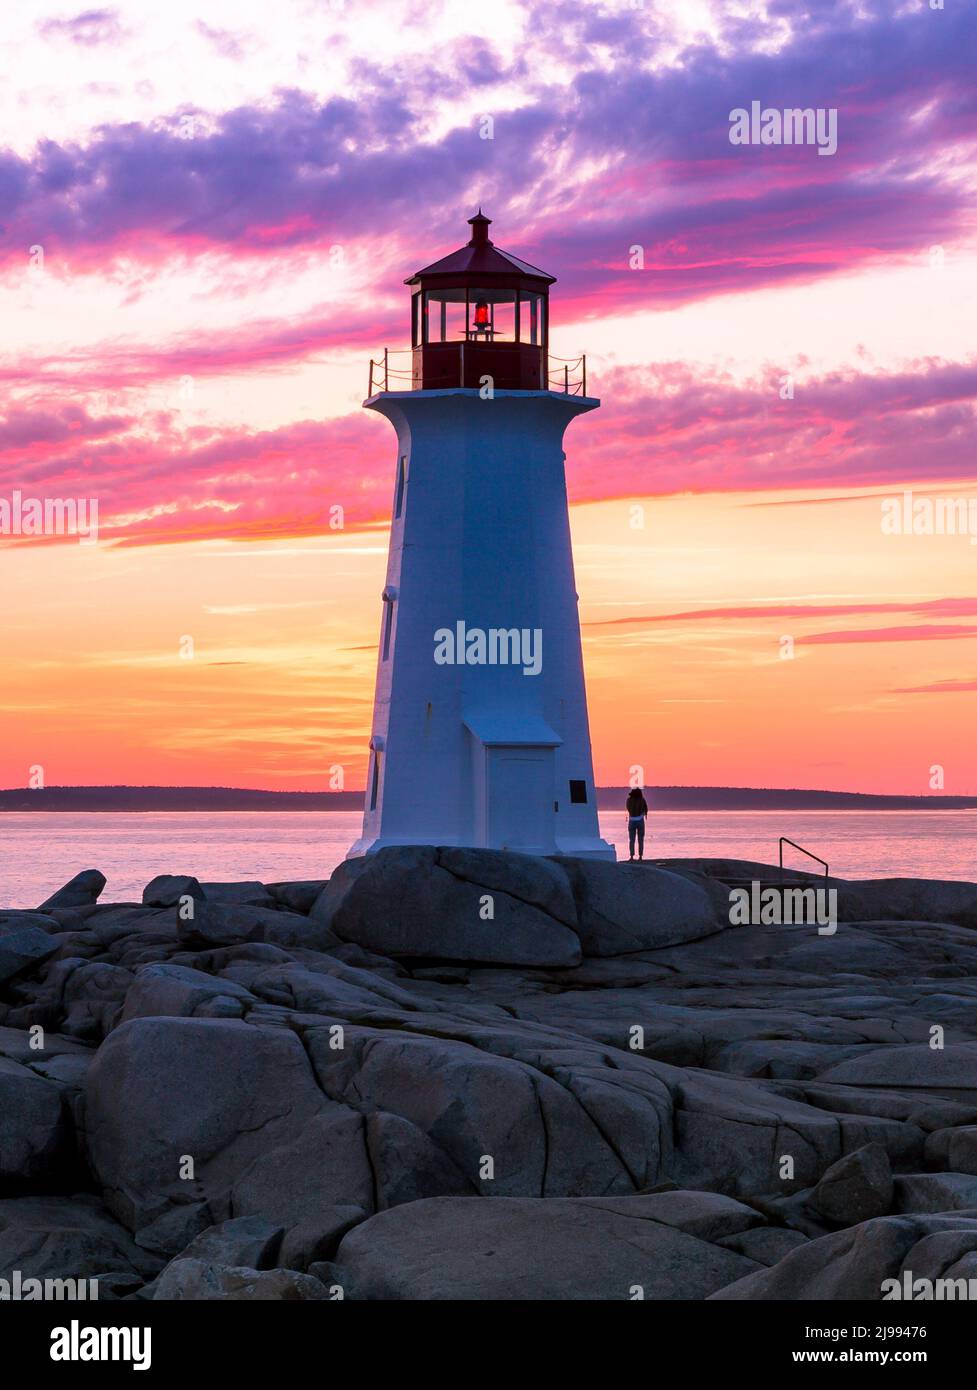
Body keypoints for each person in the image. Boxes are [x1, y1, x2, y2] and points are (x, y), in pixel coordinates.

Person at [626, 785, 649, 861]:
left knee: (631, 840)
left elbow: (628, 808)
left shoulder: (629, 800)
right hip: (640, 820)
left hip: (632, 820)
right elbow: (646, 809)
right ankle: (640, 856)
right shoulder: (642, 800)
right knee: (640, 840)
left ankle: (632, 856)